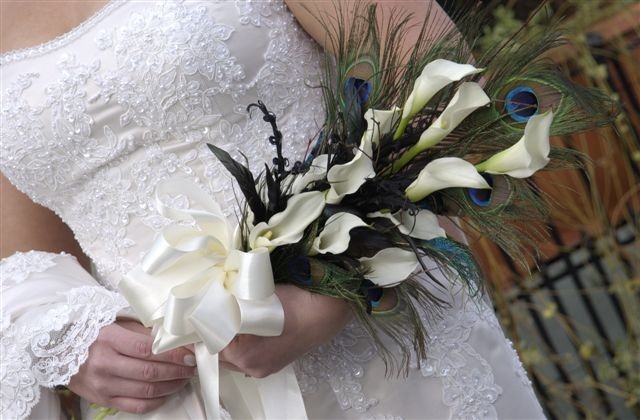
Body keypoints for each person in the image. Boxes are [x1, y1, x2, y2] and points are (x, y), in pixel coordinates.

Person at [0, 0, 545, 418]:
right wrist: (70, 341)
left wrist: (346, 285)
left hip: (382, 346)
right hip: (187, 393)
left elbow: (453, 91)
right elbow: (25, 259)